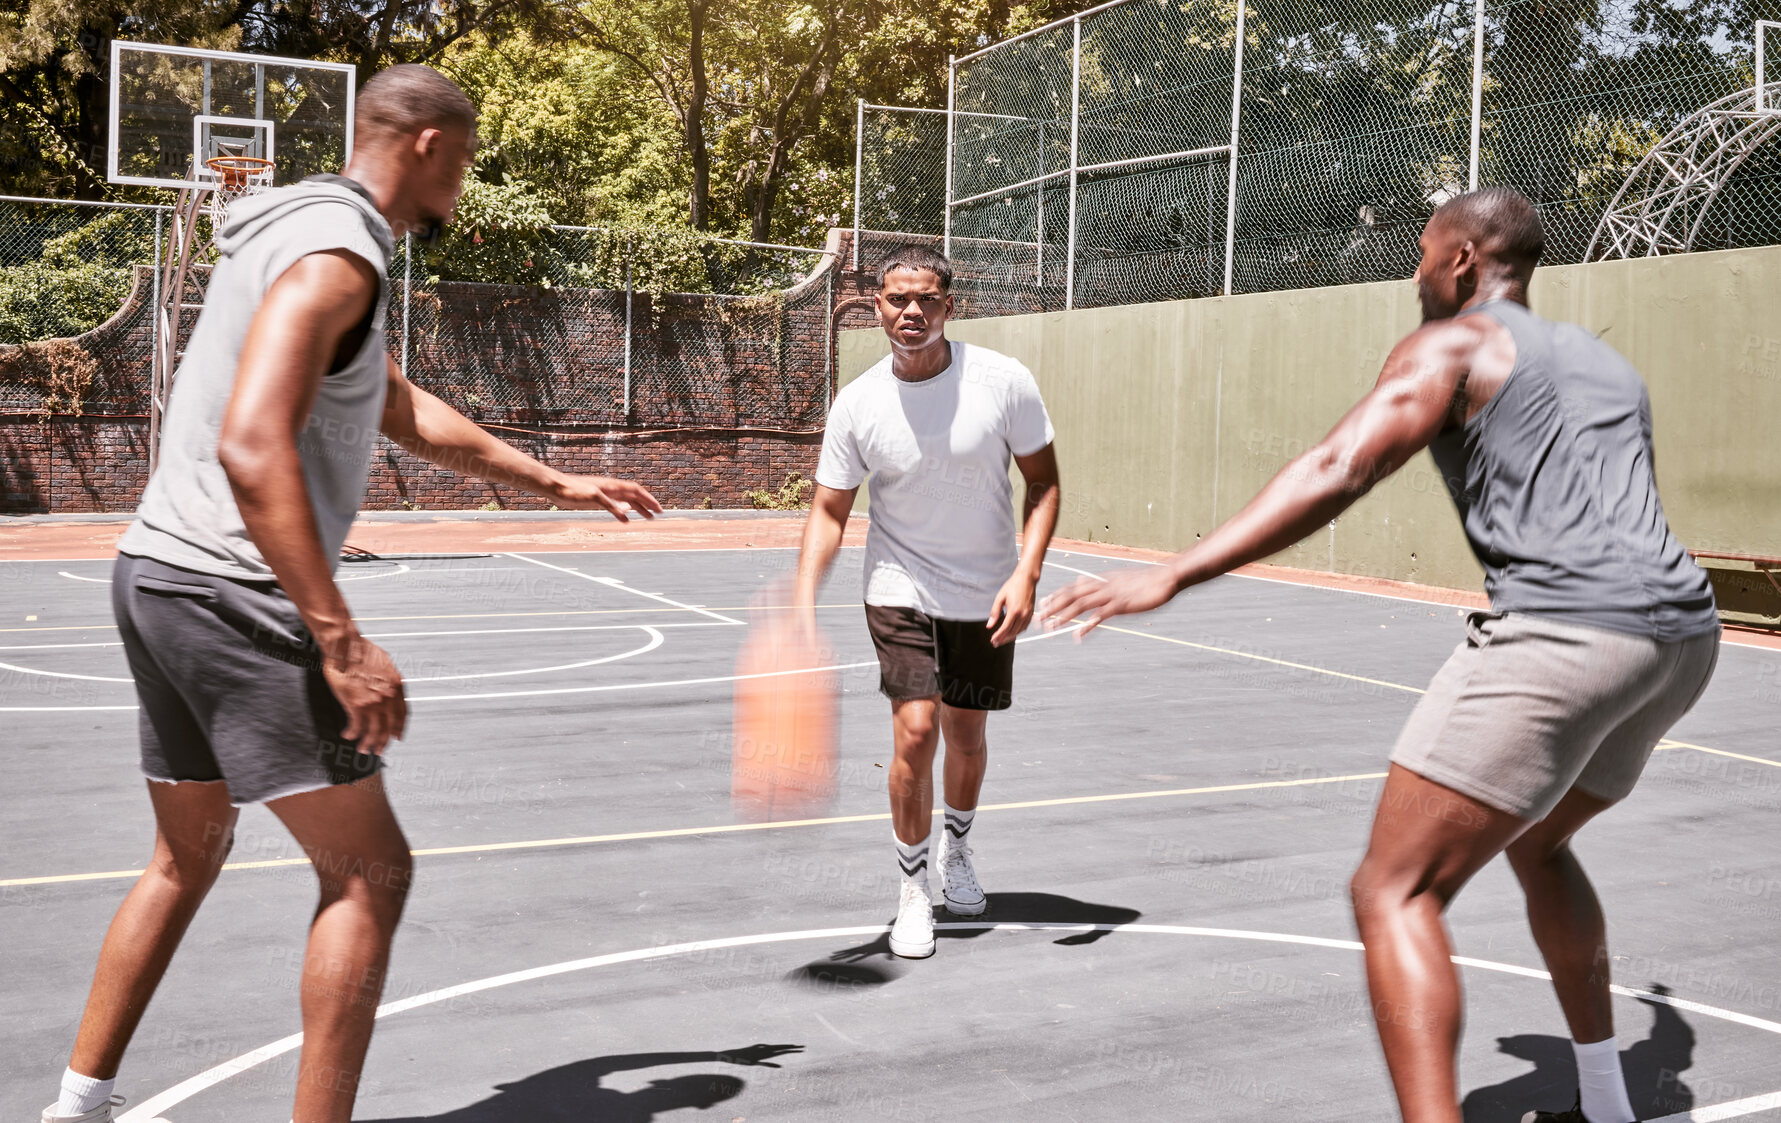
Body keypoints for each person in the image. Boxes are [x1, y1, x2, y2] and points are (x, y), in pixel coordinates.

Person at [44, 65, 661, 1123]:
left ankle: (77, 1102)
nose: (462, 187)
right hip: (233, 593)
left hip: (157, 573)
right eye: (463, 162)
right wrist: (337, 635)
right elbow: (251, 445)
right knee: (370, 873)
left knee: (186, 853)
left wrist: (552, 479)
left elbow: (394, 403)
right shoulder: (337, 257)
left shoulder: (299, 236)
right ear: (427, 145)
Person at [1039, 188, 1719, 1123]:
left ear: (1462, 263)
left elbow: (1340, 465)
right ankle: (1606, 1101)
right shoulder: (1604, 362)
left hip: (1566, 633)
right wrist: (1662, 1026)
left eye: (1421, 253)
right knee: (1541, 840)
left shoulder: (1455, 342)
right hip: (1681, 638)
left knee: (1391, 890)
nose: (1411, 273)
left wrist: (1175, 570)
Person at [793, 245, 1061, 959]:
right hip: (897, 585)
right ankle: (911, 890)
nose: (911, 311)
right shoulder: (858, 403)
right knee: (915, 731)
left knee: (965, 734)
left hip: (984, 590)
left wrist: (1027, 574)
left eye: (926, 299)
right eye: (896, 299)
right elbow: (828, 510)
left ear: (950, 304)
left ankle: (958, 850)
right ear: (875, 305)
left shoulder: (1003, 381)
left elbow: (1044, 483)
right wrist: (801, 597)